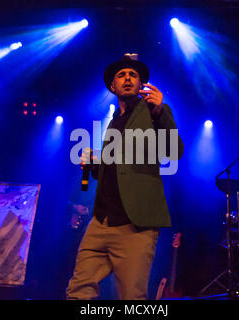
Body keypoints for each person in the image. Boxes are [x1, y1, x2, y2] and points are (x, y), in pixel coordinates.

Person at [66, 54, 184, 300]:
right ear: (113, 86)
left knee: (131, 297)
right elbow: (117, 169)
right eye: (121, 75)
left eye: (133, 75)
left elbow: (175, 152)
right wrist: (94, 165)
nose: (128, 78)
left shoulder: (153, 112)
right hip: (101, 221)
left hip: (135, 224)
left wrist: (160, 112)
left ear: (142, 84)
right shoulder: (113, 122)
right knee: (78, 291)